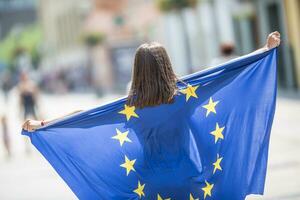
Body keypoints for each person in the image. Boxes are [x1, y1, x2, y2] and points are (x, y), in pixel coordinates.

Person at [22, 31, 281, 132]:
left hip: (149, 181)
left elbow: (84, 115)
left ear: (136, 70)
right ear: (167, 65)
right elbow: (228, 73)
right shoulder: (184, 96)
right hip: (190, 175)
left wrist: (41, 124)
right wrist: (264, 50)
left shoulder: (129, 106)